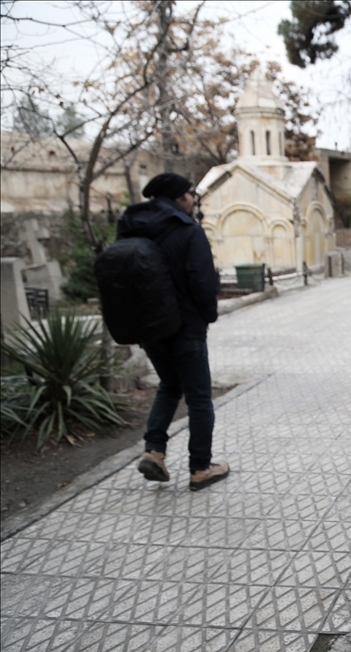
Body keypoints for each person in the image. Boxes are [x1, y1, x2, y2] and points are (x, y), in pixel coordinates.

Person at [121, 172, 229, 491]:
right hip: (185, 327)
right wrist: (206, 317)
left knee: (169, 385)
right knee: (198, 398)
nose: (195, 199)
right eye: (191, 194)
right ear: (180, 197)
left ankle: (154, 451)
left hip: (149, 327)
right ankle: (200, 468)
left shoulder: (131, 227)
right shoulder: (188, 230)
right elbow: (202, 282)